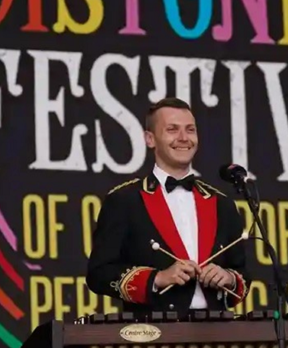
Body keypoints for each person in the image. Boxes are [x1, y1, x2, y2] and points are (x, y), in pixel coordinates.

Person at [86, 97, 250, 318]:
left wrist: (228, 278)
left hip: (217, 332)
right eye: (172, 130)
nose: (184, 138)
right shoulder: (124, 200)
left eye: (190, 130)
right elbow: (99, 274)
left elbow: (243, 273)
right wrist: (157, 278)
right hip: (154, 335)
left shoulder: (222, 203)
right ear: (150, 139)